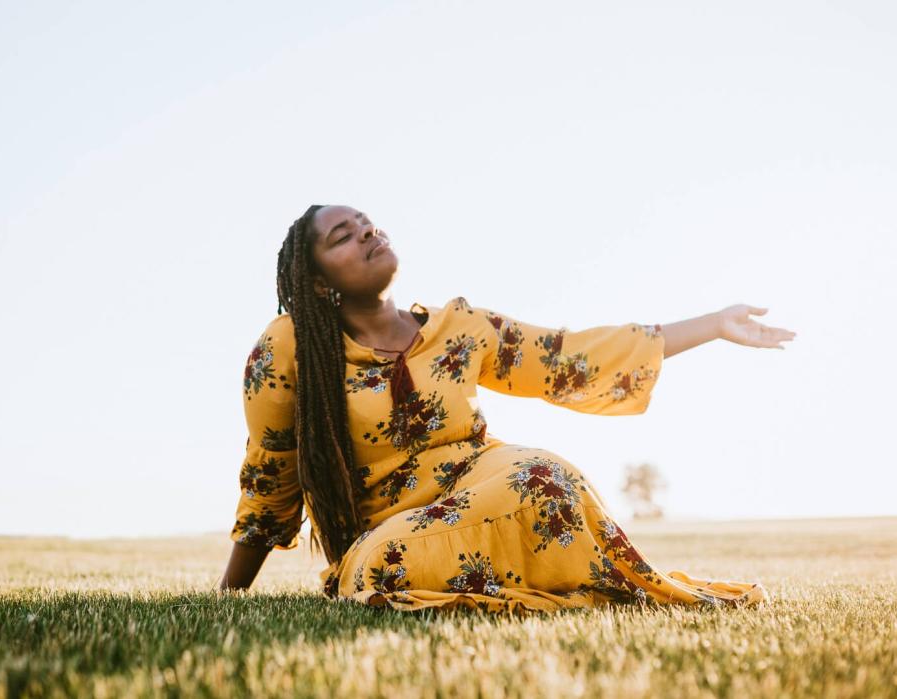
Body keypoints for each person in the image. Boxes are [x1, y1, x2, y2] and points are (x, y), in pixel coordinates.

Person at [216, 204, 796, 614]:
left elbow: (570, 356)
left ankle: (567, 586)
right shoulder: (291, 346)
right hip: (387, 530)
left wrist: (714, 326)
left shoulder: (460, 327)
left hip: (481, 482)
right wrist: (230, 595)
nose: (368, 233)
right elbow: (271, 472)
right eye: (344, 235)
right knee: (380, 569)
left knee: (546, 477)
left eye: (369, 224)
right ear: (318, 283)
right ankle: (539, 588)